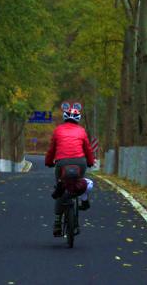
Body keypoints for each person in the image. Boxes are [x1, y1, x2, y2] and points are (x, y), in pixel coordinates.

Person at [45, 101, 95, 237]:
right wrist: (90, 162)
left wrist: (49, 162)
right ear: (78, 119)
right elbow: (88, 150)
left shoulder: (58, 130)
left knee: (60, 188)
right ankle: (83, 200)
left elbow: (51, 150)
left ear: (64, 117)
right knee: (79, 181)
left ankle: (57, 223)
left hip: (62, 163)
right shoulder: (82, 131)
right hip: (80, 162)